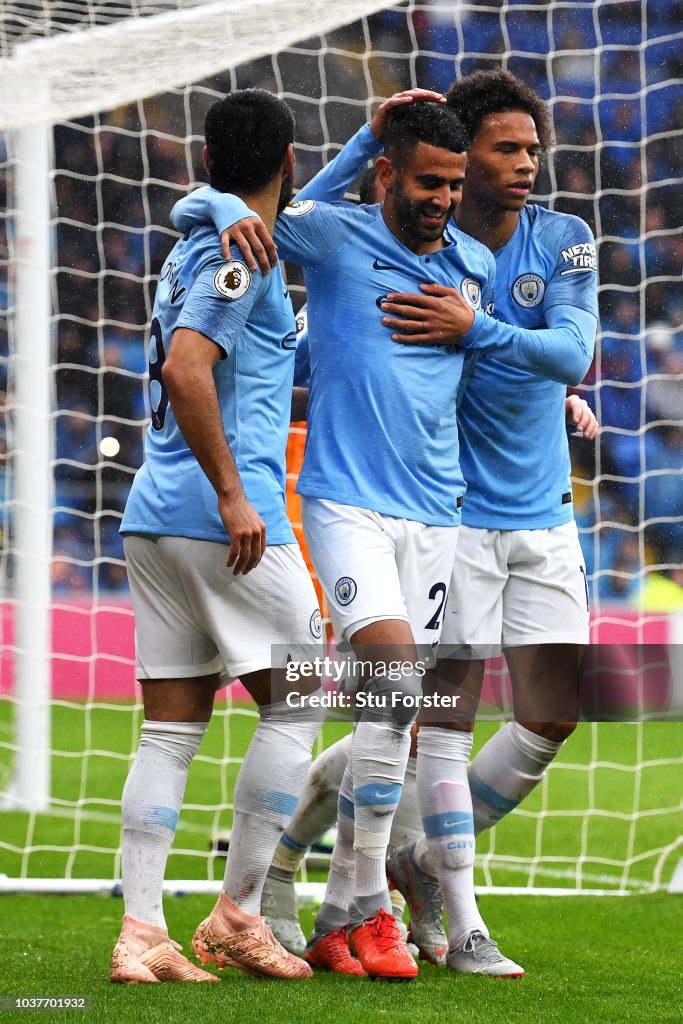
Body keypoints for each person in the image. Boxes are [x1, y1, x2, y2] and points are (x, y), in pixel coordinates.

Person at [227, 70, 599, 979]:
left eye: (530, 150)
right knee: (410, 700)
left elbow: (552, 353)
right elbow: (285, 244)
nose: (522, 165)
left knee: (467, 712)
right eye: (502, 150)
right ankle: (405, 905)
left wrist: (528, 378)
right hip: (402, 504)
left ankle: (375, 885)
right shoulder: (360, 238)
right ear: (422, 170)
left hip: (491, 510)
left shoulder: (513, 255)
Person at [172, 94, 498, 980]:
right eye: (428, 181)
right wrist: (340, 150)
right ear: (387, 174)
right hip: (346, 503)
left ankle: (349, 909)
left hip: (439, 511)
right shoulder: (334, 233)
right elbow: (248, 211)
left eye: (453, 183)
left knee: (395, 713)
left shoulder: (472, 266)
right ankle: (355, 905)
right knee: (390, 681)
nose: (443, 198)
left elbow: (493, 371)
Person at [110, 89, 325, 984]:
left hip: (153, 518)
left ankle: (140, 934)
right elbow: (186, 366)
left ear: (207, 165)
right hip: (227, 522)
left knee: (170, 730)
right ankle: (242, 912)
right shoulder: (248, 257)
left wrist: (370, 132)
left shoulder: (201, 236)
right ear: (287, 161)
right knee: (310, 696)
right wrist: (236, 495)